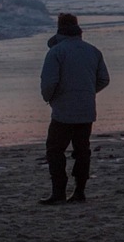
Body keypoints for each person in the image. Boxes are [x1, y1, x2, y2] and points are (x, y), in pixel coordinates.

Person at [39, 12, 110, 204]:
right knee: (82, 150)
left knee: (54, 150)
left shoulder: (56, 52)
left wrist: (50, 99)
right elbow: (104, 79)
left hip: (63, 111)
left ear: (60, 28)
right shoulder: (93, 51)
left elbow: (48, 83)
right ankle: (79, 191)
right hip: (86, 109)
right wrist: (88, 92)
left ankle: (58, 192)